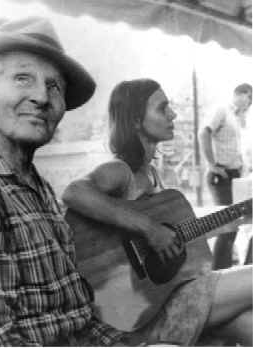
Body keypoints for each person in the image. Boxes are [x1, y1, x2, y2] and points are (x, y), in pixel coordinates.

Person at [0, 17, 158, 347]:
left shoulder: (36, 186)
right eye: (22, 78)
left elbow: (77, 321)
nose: (41, 97)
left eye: (54, 86)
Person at [62, 79, 253, 346]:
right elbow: (74, 192)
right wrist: (150, 230)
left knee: (248, 322)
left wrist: (233, 219)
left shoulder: (153, 175)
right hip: (139, 320)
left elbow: (178, 246)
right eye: (163, 108)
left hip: (168, 299)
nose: (173, 114)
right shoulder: (119, 171)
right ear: (137, 120)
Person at [199, 83, 252, 270]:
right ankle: (219, 272)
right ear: (242, 94)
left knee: (236, 225)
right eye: (250, 98)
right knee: (227, 227)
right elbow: (204, 133)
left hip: (235, 176)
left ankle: (229, 269)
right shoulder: (222, 110)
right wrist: (212, 165)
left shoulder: (238, 118)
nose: (250, 103)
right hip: (221, 175)